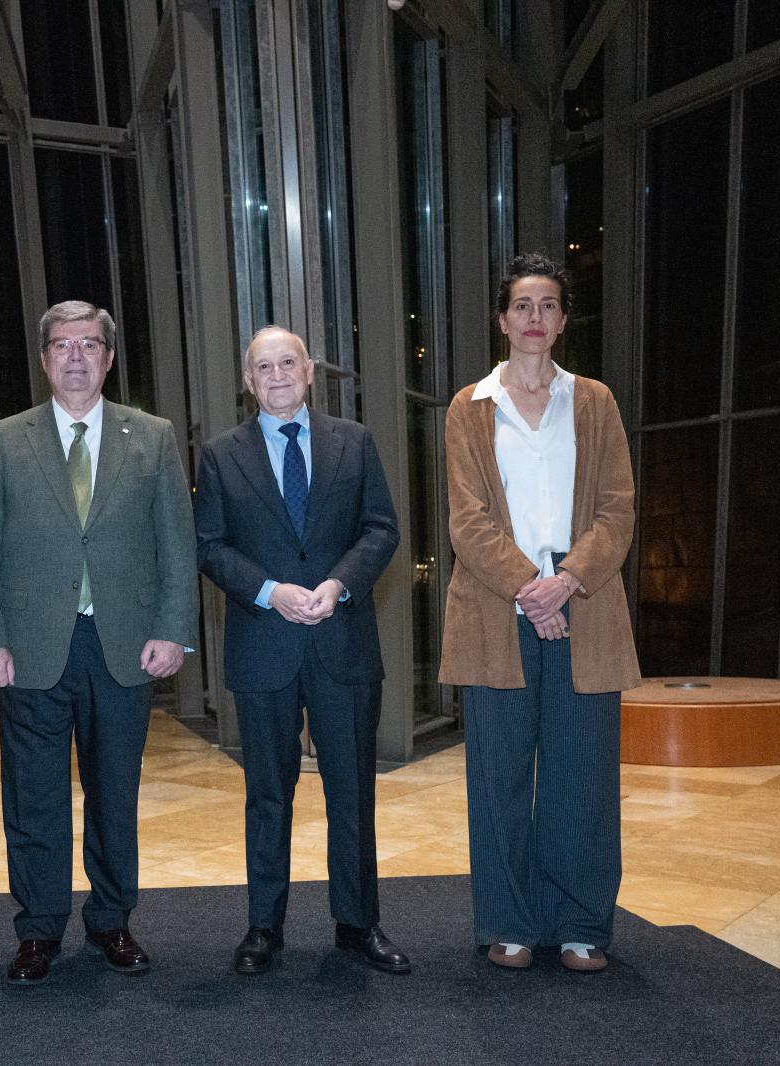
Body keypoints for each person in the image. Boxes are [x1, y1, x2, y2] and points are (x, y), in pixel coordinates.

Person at [0, 300, 198, 985]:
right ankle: (37, 931)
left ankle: (112, 920)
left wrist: (174, 629)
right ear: (43, 358)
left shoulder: (151, 436)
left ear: (109, 357)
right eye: (61, 345)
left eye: (88, 344)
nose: (75, 356)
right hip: (30, 649)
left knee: (114, 795)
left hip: (124, 647)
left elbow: (176, 544)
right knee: (33, 800)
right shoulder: (7, 439)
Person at [440, 252, 639, 973]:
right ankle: (511, 923)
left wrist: (567, 582)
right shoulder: (470, 408)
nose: (534, 318)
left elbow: (618, 511)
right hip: (496, 612)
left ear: (562, 321)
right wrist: (532, 587)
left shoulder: (596, 402)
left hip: (585, 607)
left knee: (582, 775)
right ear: (503, 319)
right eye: (522, 305)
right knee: (498, 778)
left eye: (548, 306)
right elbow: (467, 520)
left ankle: (582, 922)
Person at [193, 326, 409, 977]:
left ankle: (357, 923)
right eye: (264, 366)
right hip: (264, 646)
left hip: (342, 642)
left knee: (352, 792)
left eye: (288, 362)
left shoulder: (356, 442)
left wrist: (339, 585)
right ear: (249, 380)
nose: (278, 374)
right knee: (267, 793)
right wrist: (269, 592)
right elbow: (208, 545)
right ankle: (264, 926)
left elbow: (382, 528)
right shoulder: (219, 454)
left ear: (309, 370)